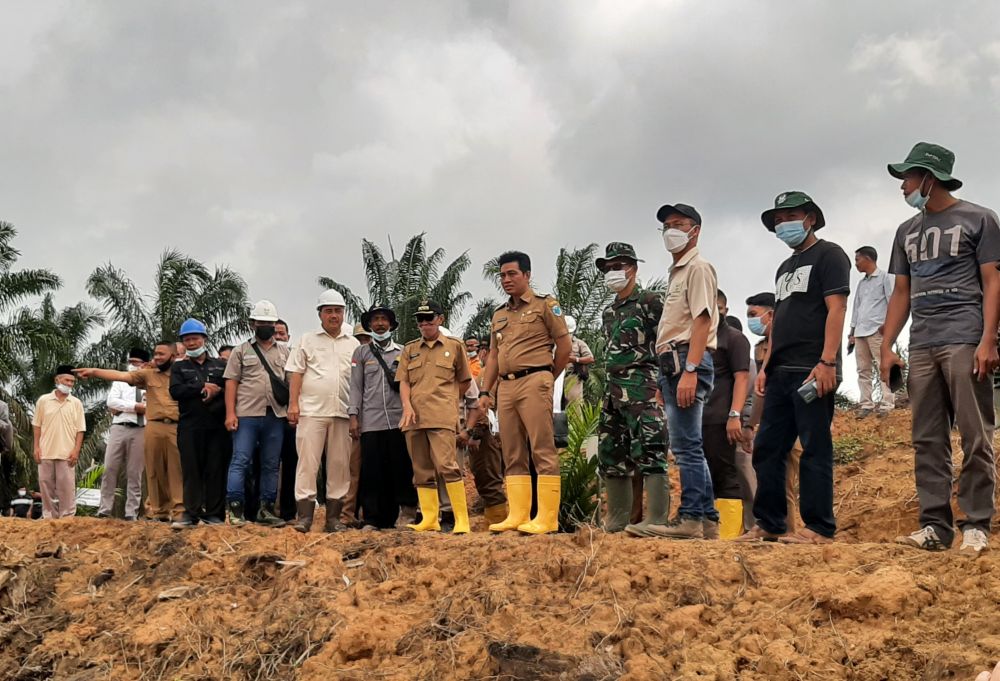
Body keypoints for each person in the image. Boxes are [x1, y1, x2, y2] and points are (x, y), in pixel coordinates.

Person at [881, 142, 1000, 555]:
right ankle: (935, 526)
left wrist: (988, 339)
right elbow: (901, 291)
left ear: (929, 178)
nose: (903, 186)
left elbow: (993, 281)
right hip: (922, 344)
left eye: (908, 178)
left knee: (975, 434)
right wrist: (886, 345)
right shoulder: (905, 231)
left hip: (965, 338)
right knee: (927, 438)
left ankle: (977, 523)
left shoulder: (980, 219)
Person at [738, 191, 850, 545]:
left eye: (791, 216)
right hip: (781, 370)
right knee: (769, 446)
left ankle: (819, 527)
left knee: (815, 446)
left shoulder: (830, 256)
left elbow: (836, 310)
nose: (783, 224)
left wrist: (827, 361)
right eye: (778, 219)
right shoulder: (784, 268)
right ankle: (770, 523)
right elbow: (781, 321)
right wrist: (768, 365)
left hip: (812, 368)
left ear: (811, 218)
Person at [478, 251, 571, 534]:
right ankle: (517, 515)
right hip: (505, 386)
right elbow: (493, 356)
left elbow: (564, 346)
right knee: (512, 450)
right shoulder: (499, 315)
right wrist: (485, 391)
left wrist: (547, 377)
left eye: (512, 274)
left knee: (541, 448)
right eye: (502, 275)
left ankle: (547, 518)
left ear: (527, 275)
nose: (506, 280)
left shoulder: (546, 306)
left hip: (535, 380)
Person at [643, 203, 719, 540]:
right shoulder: (678, 273)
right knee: (689, 445)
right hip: (672, 364)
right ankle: (707, 519)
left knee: (687, 446)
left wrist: (689, 370)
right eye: (667, 225)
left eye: (679, 224)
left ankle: (690, 518)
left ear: (695, 230)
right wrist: (665, 379)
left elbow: (702, 320)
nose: (671, 231)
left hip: (686, 359)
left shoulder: (698, 268)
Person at [588, 242, 669, 536]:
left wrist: (663, 386)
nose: (612, 272)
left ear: (633, 268)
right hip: (613, 390)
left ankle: (657, 519)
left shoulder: (650, 301)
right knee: (611, 452)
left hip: (642, 385)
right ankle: (617, 521)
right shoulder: (609, 312)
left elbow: (666, 344)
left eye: (618, 266)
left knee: (650, 449)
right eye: (608, 268)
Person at [76, 342, 185, 523]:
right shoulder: (147, 375)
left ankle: (179, 511)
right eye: (155, 353)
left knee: (175, 470)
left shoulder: (183, 374)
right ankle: (159, 512)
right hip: (153, 425)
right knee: (154, 470)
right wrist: (95, 371)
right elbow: (120, 375)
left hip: (175, 426)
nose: (157, 357)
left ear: (173, 356)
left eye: (161, 354)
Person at [286, 289, 360, 533]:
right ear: (320, 314)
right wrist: (293, 404)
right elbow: (296, 372)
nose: (334, 315)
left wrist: (356, 414)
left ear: (343, 313)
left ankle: (333, 519)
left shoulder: (354, 343)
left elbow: (359, 381)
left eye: (338, 311)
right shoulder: (307, 340)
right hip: (311, 412)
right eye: (328, 311)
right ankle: (304, 518)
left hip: (342, 412)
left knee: (339, 466)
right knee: (308, 463)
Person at [396, 301, 473, 533]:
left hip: (441, 416)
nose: (425, 324)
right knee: (421, 469)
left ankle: (461, 519)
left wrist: (448, 401)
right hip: (414, 418)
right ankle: (429, 518)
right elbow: (404, 381)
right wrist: (407, 406)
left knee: (447, 466)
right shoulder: (410, 349)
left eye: (429, 319)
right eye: (420, 320)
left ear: (440, 319)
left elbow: (465, 380)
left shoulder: (454, 346)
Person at [349, 304, 418, 529]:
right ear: (369, 325)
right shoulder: (361, 353)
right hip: (371, 420)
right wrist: (353, 416)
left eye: (383, 319)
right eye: (375, 319)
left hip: (399, 419)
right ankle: (374, 518)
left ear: (391, 324)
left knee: (401, 468)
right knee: (373, 471)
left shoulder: (403, 351)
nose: (379, 323)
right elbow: (356, 387)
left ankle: (405, 514)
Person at [223, 300, 289, 527]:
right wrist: (230, 414)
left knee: (271, 463)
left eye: (270, 323)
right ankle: (235, 510)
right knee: (240, 460)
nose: (266, 326)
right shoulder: (241, 351)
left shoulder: (285, 351)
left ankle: (266, 509)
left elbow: (292, 382)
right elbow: (231, 383)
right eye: (261, 322)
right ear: (253, 324)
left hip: (276, 415)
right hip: (246, 414)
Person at [169, 319, 230, 527]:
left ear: (204, 339)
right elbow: (176, 391)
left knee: (216, 469)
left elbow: (230, 390)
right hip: (190, 426)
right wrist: (203, 388)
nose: (192, 343)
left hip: (217, 426)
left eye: (195, 338)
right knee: (191, 470)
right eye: (187, 340)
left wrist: (218, 390)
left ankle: (214, 514)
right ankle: (190, 513)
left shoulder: (220, 365)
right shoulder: (179, 367)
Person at [702, 290, 751, 539]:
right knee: (703, 475)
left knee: (724, 473)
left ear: (725, 309)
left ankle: (729, 534)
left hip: (721, 417)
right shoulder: (697, 338)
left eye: (717, 307)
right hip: (697, 417)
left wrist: (735, 415)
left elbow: (742, 378)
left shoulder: (734, 339)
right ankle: (707, 530)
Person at [97, 348, 149, 520]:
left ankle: (131, 512)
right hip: (119, 427)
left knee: (135, 473)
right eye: (131, 362)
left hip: (141, 429)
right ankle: (104, 509)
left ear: (145, 364)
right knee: (110, 468)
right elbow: (111, 402)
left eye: (136, 363)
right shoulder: (120, 382)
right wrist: (135, 407)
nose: (132, 366)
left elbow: (150, 407)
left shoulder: (150, 382)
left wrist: (122, 407)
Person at [461, 338, 508, 525]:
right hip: (499, 432)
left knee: (488, 478)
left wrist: (475, 434)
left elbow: (482, 408)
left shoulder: (486, 375)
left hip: (488, 434)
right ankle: (498, 517)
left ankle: (497, 520)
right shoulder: (503, 373)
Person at [31, 365, 86, 519]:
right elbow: (37, 425)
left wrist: (76, 450)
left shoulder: (76, 403)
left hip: (67, 452)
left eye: (72, 382)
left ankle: (67, 517)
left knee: (67, 487)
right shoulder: (43, 400)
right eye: (67, 380)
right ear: (57, 380)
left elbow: (80, 429)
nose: (69, 384)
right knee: (45, 485)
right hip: (45, 451)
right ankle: (49, 516)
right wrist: (36, 447)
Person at [849, 246, 895, 418]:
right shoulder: (861, 283)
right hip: (861, 331)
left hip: (878, 330)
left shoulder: (885, 277)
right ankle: (866, 404)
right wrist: (852, 331)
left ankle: (887, 403)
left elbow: (893, 302)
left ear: (868, 258)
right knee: (863, 369)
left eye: (857, 259)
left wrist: (889, 327)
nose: (856, 264)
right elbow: (856, 307)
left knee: (883, 365)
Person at [272, 318, 296, 519]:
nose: (279, 337)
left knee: (291, 465)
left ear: (289, 337)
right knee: (268, 464)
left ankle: (288, 512)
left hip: (291, 419)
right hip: (270, 417)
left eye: (282, 334)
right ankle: (267, 508)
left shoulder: (296, 357)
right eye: (275, 334)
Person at [563, 315, 595, 405]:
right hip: (556, 378)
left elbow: (590, 358)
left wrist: (575, 359)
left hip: (573, 378)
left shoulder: (579, 343)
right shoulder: (553, 343)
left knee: (575, 406)